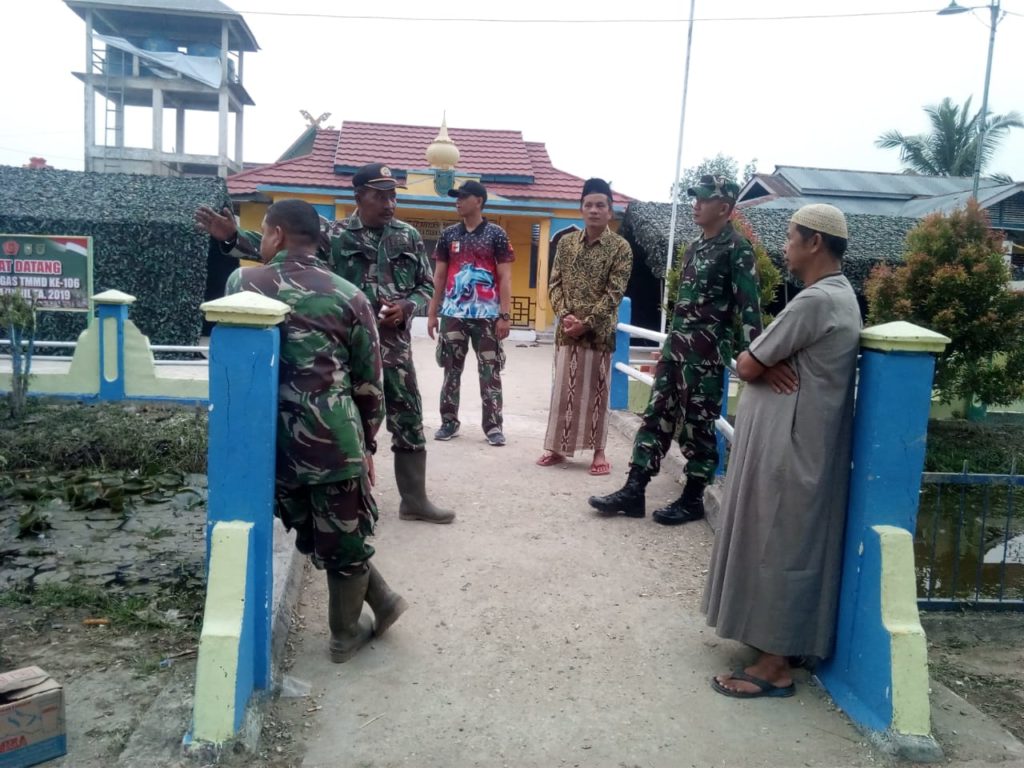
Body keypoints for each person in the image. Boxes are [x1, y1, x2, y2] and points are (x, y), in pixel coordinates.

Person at [196, 163, 454, 525]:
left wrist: (408, 306)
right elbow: (278, 247)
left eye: (393, 195)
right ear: (359, 196)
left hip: (394, 348)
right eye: (380, 196)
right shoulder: (334, 235)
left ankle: (414, 500)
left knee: (408, 416)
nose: (389, 203)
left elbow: (426, 286)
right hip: (347, 350)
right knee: (349, 418)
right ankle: (346, 499)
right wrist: (233, 235)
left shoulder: (408, 237)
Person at [224, 198, 406, 664]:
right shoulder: (350, 295)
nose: (262, 241)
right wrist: (366, 444)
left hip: (270, 443)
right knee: (343, 537)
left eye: (263, 233)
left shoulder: (243, 283)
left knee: (313, 532)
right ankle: (348, 633)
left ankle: (364, 619)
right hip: (333, 441)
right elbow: (370, 384)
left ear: (277, 235)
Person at [703, 203, 861, 698]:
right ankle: (774, 644)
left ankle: (775, 667)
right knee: (780, 542)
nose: (786, 245)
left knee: (778, 544)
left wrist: (759, 365)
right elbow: (757, 362)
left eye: (792, 236)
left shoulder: (816, 301)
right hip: (798, 445)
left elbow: (746, 363)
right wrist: (763, 365)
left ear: (815, 242)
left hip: (792, 450)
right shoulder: (837, 297)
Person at [588, 175, 762, 524]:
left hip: (707, 356)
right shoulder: (695, 247)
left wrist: (754, 355)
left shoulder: (737, 250)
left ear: (724, 208)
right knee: (655, 418)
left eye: (703, 199)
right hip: (676, 351)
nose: (696, 204)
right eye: (694, 197)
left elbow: (748, 309)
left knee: (699, 425)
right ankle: (634, 490)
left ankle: (694, 498)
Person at [537, 178, 632, 476]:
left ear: (610, 211)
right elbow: (554, 283)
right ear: (581, 209)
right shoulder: (566, 244)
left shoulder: (621, 248)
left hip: (599, 334)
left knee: (597, 393)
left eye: (600, 205)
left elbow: (614, 293)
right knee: (564, 390)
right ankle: (557, 448)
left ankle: (599, 452)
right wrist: (566, 315)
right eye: (588, 205)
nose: (594, 210)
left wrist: (587, 323)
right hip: (566, 332)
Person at [427, 180, 514, 447]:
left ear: (478, 200)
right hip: (453, 314)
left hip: (487, 316)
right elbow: (439, 276)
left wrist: (504, 315)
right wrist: (433, 314)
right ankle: (448, 422)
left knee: (490, 370)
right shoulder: (449, 235)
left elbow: (505, 277)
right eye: (456, 197)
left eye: (462, 197)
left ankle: (493, 427)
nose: (457, 201)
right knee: (450, 370)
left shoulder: (497, 234)